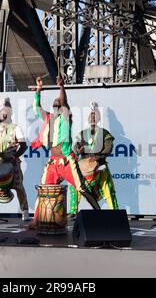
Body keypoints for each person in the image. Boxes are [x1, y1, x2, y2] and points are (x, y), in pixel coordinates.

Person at [30, 76, 100, 226]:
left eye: (58, 101)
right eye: (55, 101)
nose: (57, 101)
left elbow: (64, 101)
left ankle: (99, 213)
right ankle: (36, 220)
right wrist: (39, 90)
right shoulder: (48, 118)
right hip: (53, 163)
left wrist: (61, 87)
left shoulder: (66, 116)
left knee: (81, 187)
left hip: (67, 160)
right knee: (43, 190)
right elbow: (37, 108)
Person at [69, 102, 118, 216]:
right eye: (90, 115)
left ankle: (115, 212)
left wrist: (98, 156)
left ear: (99, 118)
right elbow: (75, 148)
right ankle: (73, 211)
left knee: (108, 188)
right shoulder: (82, 134)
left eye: (95, 115)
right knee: (75, 186)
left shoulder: (105, 133)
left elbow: (109, 148)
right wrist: (78, 151)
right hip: (84, 167)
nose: (92, 118)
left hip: (100, 165)